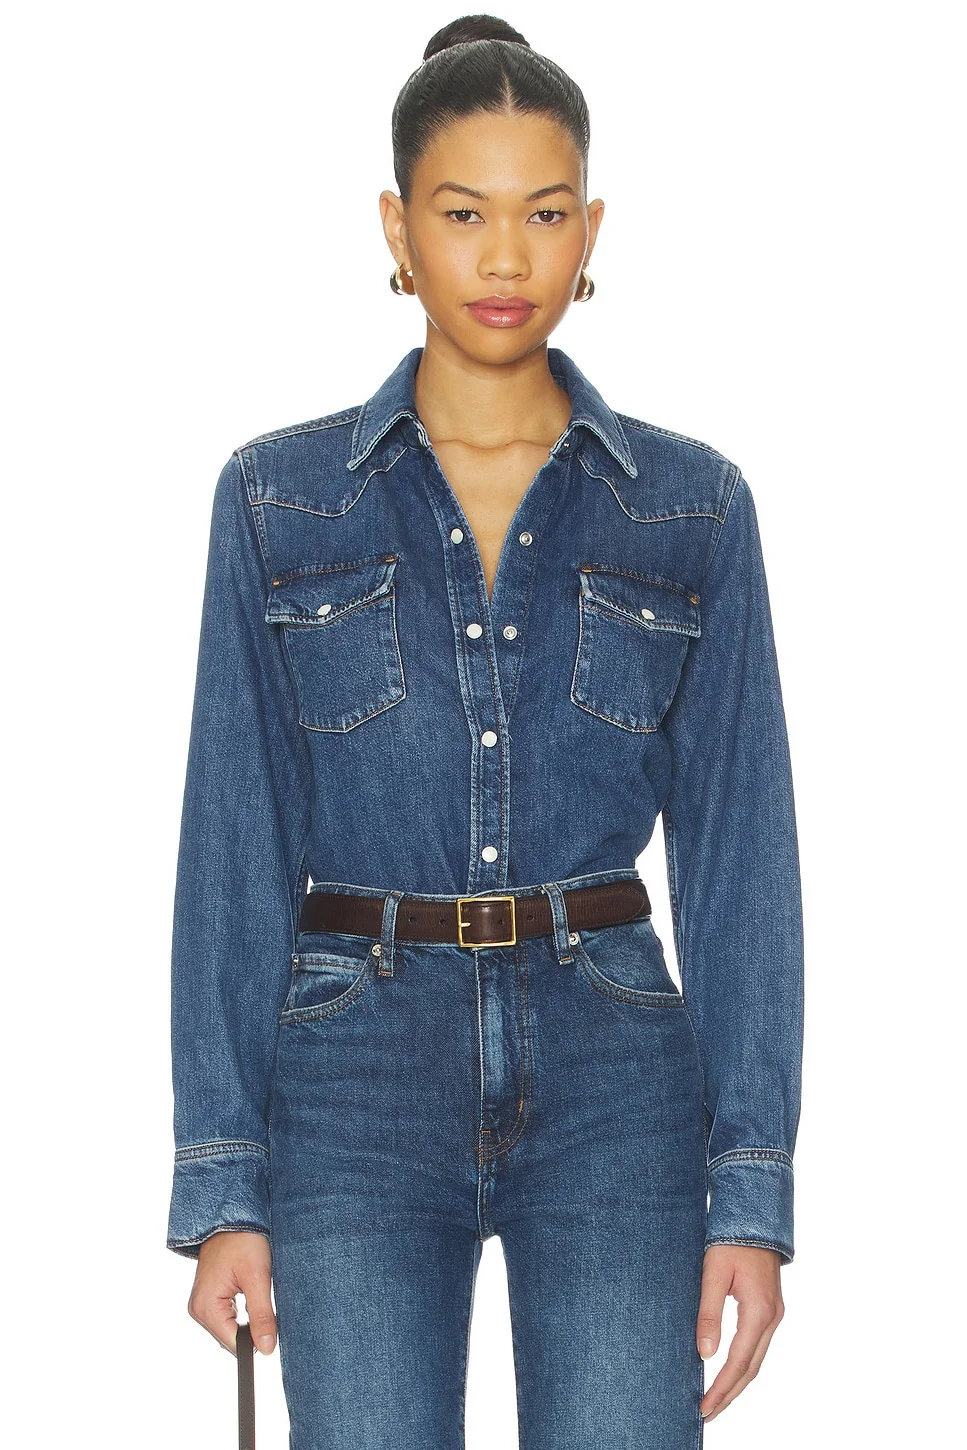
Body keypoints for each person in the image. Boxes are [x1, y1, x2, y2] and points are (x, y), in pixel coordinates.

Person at [165, 13, 805, 1448]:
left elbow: (740, 859)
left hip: (614, 1068)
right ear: (397, 229)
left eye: (544, 213)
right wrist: (223, 1181)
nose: (506, 258)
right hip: (351, 1069)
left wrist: (751, 1191)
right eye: (462, 214)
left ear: (593, 232)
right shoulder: (280, 499)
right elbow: (234, 844)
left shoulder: (689, 506)